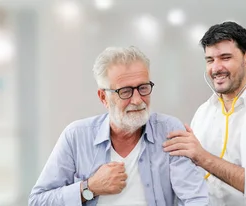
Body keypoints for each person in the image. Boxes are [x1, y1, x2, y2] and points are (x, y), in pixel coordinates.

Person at [29, 46, 208, 206]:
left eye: (143, 88)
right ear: (103, 97)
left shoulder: (169, 130)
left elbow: (195, 198)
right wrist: (88, 188)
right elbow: (38, 201)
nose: (137, 100)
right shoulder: (76, 135)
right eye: (125, 91)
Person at [163, 21, 246, 206]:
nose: (216, 68)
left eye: (225, 57)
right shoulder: (203, 112)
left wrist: (204, 158)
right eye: (210, 60)